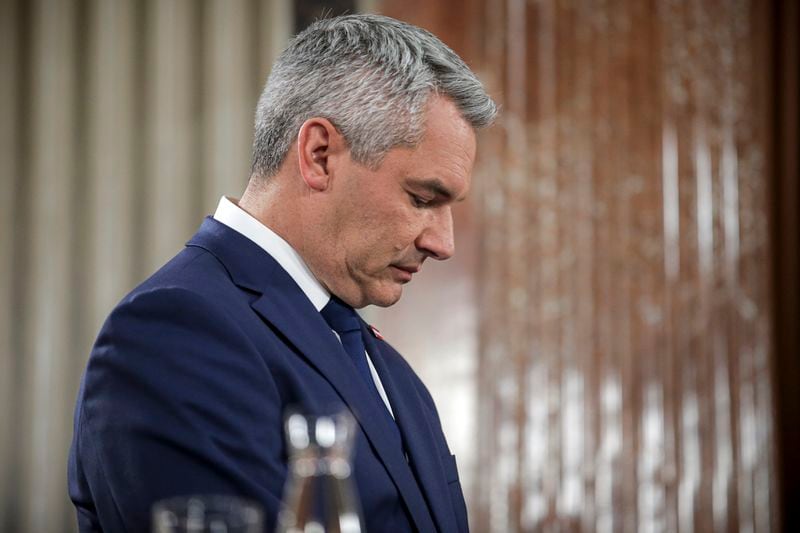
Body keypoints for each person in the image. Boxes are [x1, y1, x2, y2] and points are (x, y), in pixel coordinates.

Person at [68, 13, 496, 533]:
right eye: (422, 198)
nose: (443, 243)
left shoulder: (390, 371)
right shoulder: (175, 332)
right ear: (319, 155)